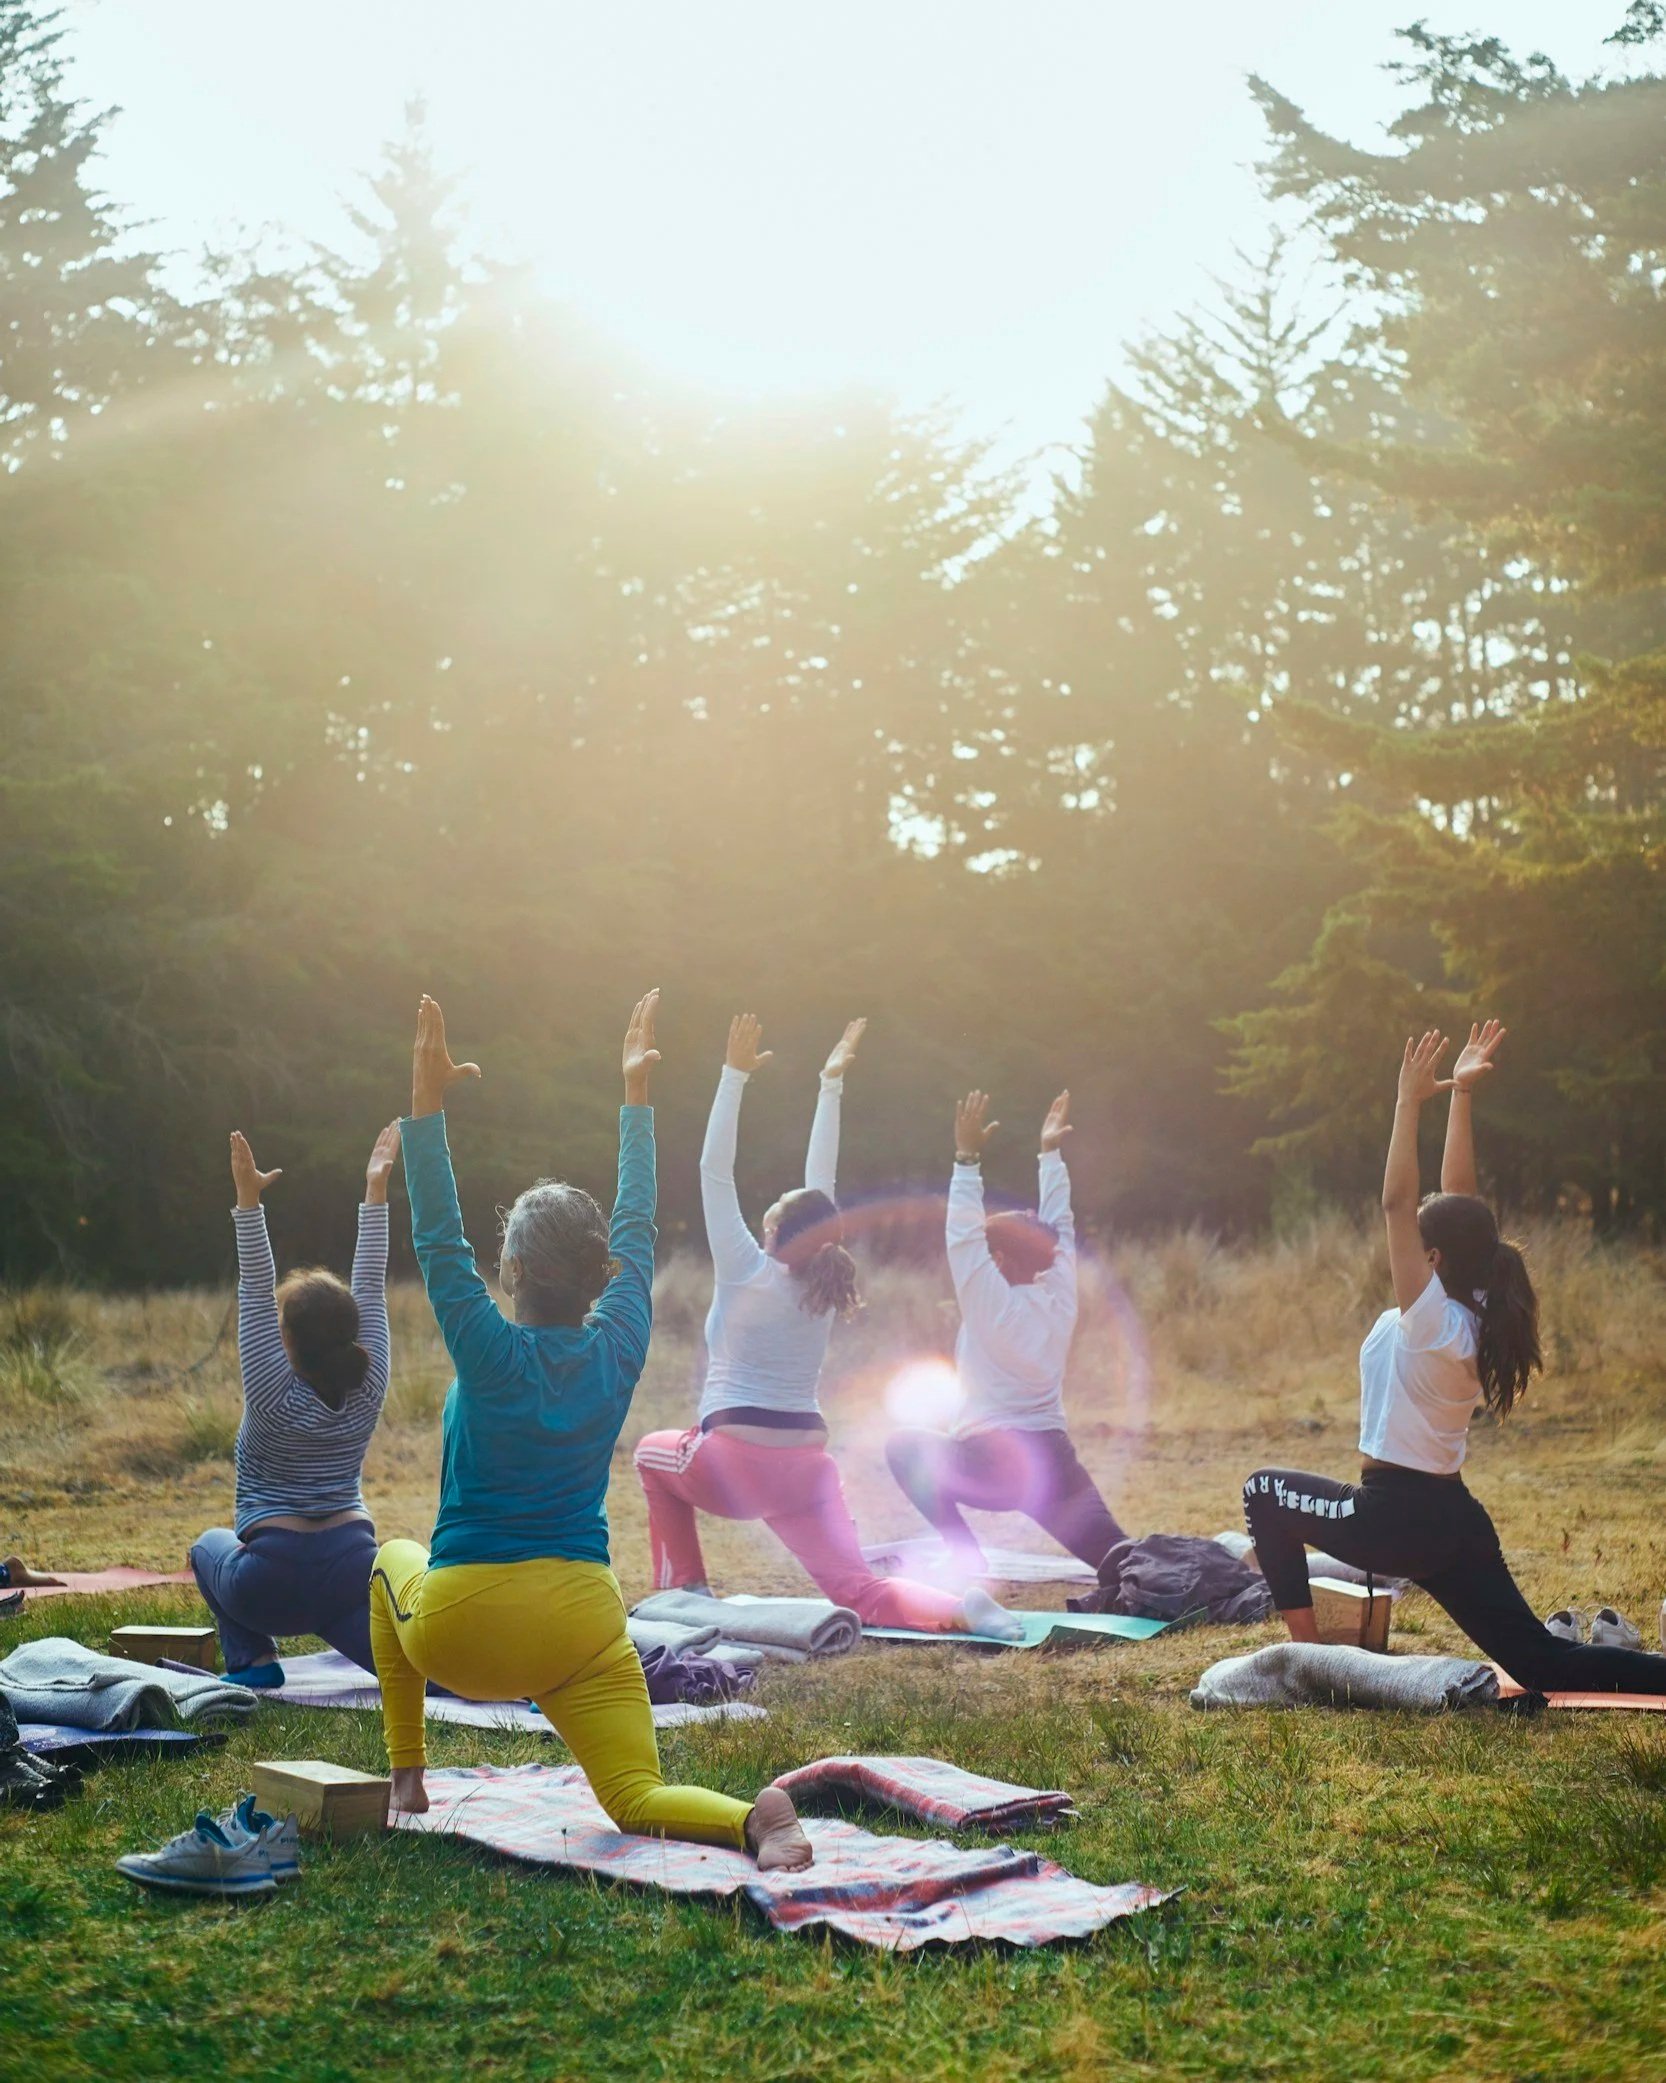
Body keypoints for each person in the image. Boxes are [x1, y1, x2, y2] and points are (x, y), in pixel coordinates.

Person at [370, 993, 811, 1869]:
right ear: (597, 1272)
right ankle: (752, 1818)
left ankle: (406, 1775)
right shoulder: (618, 1348)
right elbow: (639, 1232)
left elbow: (436, 1236)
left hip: (464, 1631)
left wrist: (426, 1108)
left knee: (388, 1554)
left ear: (517, 1270)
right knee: (634, 1798)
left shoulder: (487, 1348)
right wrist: (636, 1102)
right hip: (582, 1622)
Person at [1243, 1021, 1666, 1694]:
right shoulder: (1469, 1303)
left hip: (1393, 1519)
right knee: (1543, 1663)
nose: (1408, 1239)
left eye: (1419, 1239)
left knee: (1261, 1491)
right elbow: (1458, 1197)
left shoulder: (1433, 1319)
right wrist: (1461, 1095)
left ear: (1432, 1257)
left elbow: (1395, 1201)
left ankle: (1314, 1662)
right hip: (1451, 1519)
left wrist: (1409, 1102)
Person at [634, 1015, 1019, 1639]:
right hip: (808, 1467)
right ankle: (963, 1608)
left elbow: (714, 1169)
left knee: (650, 1455)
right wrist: (830, 1085)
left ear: (772, 1230)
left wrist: (733, 1075)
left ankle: (687, 1592)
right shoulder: (821, 1281)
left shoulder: (745, 1268)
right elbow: (823, 1187)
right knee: (856, 1588)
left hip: (731, 1463)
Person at [885, 1088, 1129, 1586]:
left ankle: (963, 1556)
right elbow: (1059, 1225)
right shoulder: (1060, 1295)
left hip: (990, 1466)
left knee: (903, 1446)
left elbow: (962, 1238)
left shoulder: (989, 1305)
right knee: (1125, 1563)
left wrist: (967, 1159)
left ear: (998, 1260)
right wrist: (1049, 1155)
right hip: (1053, 1466)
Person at [189, 1121, 399, 1684]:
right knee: (397, 1657)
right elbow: (372, 1284)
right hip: (352, 1569)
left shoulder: (269, 1390)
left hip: (270, 1582)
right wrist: (376, 1192)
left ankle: (253, 1661)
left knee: (205, 1547)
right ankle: (479, 1677)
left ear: (285, 1341)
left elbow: (255, 1287)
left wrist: (248, 1201)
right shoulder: (370, 1379)